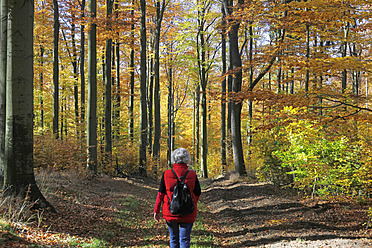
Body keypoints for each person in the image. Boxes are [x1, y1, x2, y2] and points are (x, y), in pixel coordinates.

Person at [154, 148, 201, 248]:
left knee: (173, 239)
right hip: (188, 213)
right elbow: (198, 193)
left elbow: (160, 194)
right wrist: (191, 202)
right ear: (187, 159)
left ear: (173, 159)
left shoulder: (167, 174)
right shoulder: (192, 174)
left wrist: (156, 211)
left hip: (170, 212)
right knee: (185, 240)